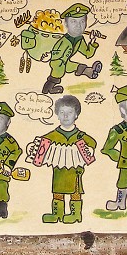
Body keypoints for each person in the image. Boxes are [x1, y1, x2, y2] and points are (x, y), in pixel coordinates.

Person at [28, 95, 97, 224]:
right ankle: (57, 213)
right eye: (62, 112)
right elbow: (38, 145)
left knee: (75, 192)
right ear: (57, 115)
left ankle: (75, 214)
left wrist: (89, 150)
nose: (65, 116)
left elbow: (92, 143)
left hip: (75, 172)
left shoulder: (80, 135)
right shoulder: (52, 135)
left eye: (69, 112)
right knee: (57, 191)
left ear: (76, 115)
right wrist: (32, 148)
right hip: (59, 172)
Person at [42, 3, 102, 94]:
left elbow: (88, 54)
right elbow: (57, 52)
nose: (79, 26)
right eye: (74, 22)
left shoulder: (79, 39)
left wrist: (93, 41)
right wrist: (50, 55)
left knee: (76, 66)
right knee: (59, 71)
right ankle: (47, 89)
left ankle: (90, 72)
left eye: (82, 22)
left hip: (66, 62)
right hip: (58, 62)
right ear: (66, 24)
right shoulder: (64, 40)